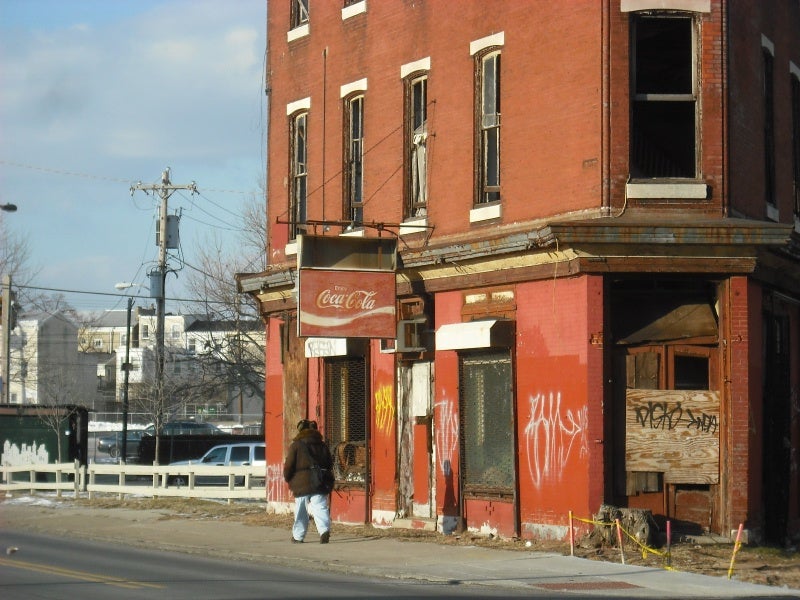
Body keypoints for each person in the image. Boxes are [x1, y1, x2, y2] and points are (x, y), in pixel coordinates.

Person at [283, 419, 334, 544]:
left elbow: (289, 465)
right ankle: (324, 530)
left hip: (301, 482)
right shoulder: (322, 445)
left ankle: (298, 536)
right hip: (319, 480)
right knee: (320, 506)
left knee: (301, 509)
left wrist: (288, 477)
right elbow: (329, 463)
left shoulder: (296, 445)